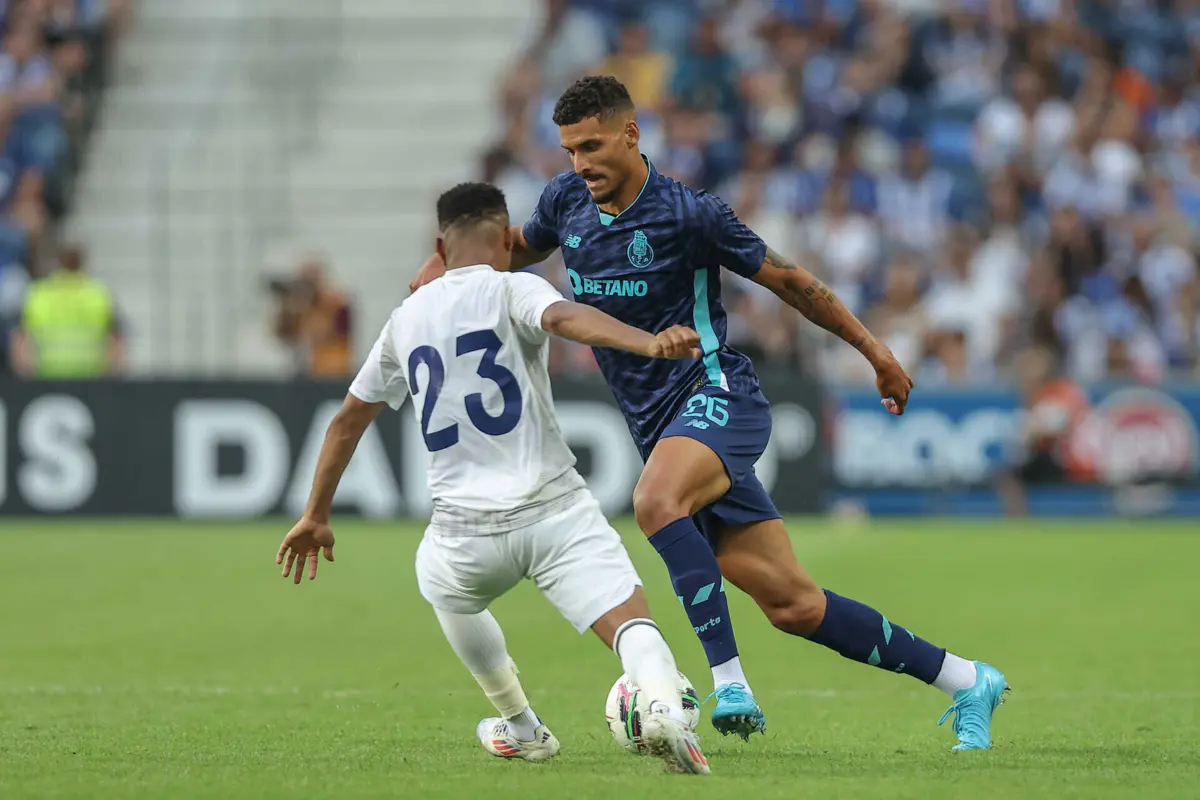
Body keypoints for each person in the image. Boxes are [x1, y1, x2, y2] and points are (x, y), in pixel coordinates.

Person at [410, 77, 1009, 751]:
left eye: (593, 145)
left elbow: (792, 283)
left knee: (655, 501)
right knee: (793, 604)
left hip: (718, 395)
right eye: (571, 150)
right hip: (659, 428)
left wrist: (877, 353)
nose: (581, 163)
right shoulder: (566, 203)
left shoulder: (689, 214)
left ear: (631, 135)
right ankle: (966, 680)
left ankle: (729, 681)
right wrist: (443, 274)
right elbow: (509, 248)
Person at [277, 182, 711, 774]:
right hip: (555, 511)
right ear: (506, 240)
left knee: (437, 581)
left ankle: (522, 725)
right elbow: (566, 318)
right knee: (631, 625)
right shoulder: (514, 286)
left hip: (464, 534)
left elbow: (348, 420)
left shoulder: (405, 320)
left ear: (439, 244)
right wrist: (649, 342)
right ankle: (662, 703)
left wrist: (316, 514)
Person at [11, 243, 122, 378]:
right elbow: (114, 339)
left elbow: (20, 338)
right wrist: (113, 373)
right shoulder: (99, 293)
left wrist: (24, 373)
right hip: (90, 376)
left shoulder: (39, 293)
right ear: (83, 263)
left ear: (58, 262)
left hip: (47, 375)